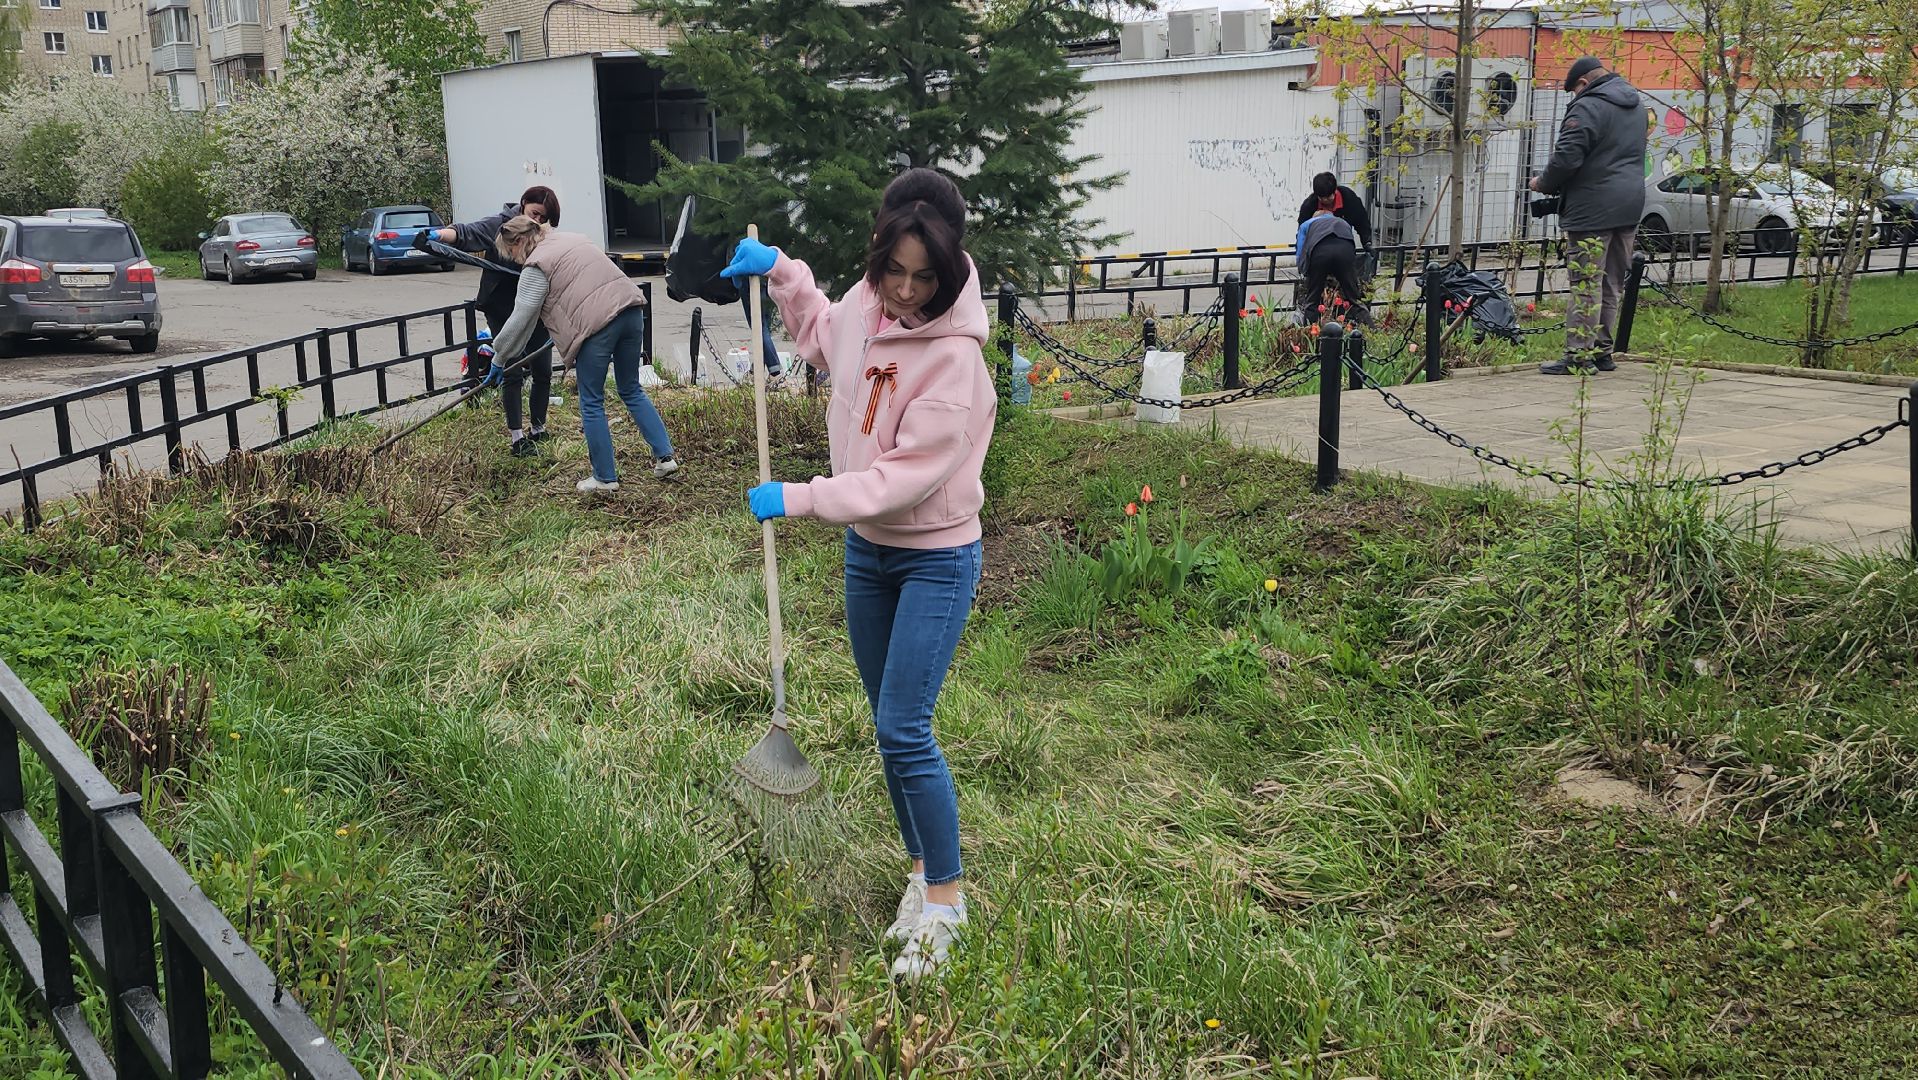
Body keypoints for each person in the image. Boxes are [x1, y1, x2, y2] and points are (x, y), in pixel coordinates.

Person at [721, 168, 993, 984]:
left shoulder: (953, 361)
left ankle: (946, 900)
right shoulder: (869, 308)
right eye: (894, 272)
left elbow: (900, 479)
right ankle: (919, 871)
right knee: (885, 723)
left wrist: (800, 498)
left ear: (949, 270)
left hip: (935, 558)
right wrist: (779, 272)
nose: (907, 293)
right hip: (868, 555)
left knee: (907, 728)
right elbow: (821, 333)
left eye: (925, 278)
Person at [490, 216, 680, 492]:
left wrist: (498, 357)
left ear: (519, 242)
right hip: (631, 310)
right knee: (630, 389)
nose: (514, 260)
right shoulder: (572, 238)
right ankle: (665, 456)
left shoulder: (537, 264)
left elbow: (521, 318)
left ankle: (604, 477)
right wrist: (507, 355)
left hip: (598, 326)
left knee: (591, 400)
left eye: (511, 254)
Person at [416, 187, 562, 455]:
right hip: (501, 306)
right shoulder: (500, 226)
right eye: (535, 214)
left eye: (544, 218)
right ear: (523, 205)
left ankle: (538, 428)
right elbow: (465, 233)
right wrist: (438, 235)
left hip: (535, 307)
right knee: (512, 369)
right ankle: (517, 438)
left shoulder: (544, 235)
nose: (537, 222)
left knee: (542, 369)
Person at [1530, 56, 1648, 375]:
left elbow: (1567, 158)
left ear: (1582, 83)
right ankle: (1602, 353)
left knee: (1585, 281)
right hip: (1630, 204)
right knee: (1612, 283)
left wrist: (1543, 183)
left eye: (1574, 91)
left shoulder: (1588, 106)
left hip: (1592, 209)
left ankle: (1578, 355)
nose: (1573, 97)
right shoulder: (1636, 105)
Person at [1295, 209, 1369, 325]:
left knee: (1312, 299)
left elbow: (1300, 250)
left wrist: (1304, 271)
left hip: (1320, 252)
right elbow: (1350, 243)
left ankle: (1310, 333)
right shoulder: (1343, 222)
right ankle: (1370, 331)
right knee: (1354, 298)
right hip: (1345, 252)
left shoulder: (1307, 224)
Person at [1297, 172, 1373, 252]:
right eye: (1322, 197)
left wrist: (1367, 243)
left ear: (1335, 191)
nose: (1325, 200)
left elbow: (1362, 222)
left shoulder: (1349, 199)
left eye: (1329, 197)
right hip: (1318, 248)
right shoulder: (1309, 206)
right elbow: (1302, 233)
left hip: (1344, 245)